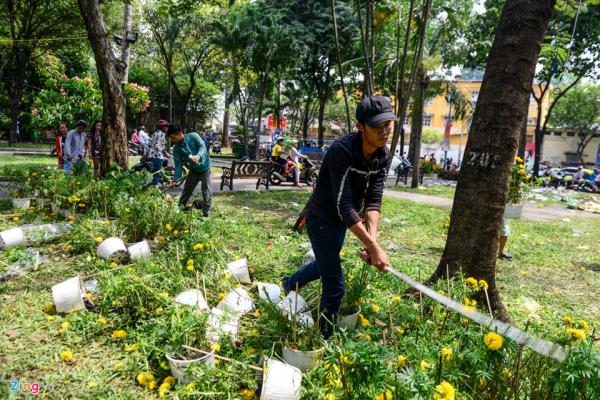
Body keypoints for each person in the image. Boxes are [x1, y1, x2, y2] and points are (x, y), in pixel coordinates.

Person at [282, 95, 394, 338]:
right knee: (335, 286)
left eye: (388, 125)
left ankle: (290, 284)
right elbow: (344, 205)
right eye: (377, 126)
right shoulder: (342, 150)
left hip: (344, 223)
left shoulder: (383, 155)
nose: (384, 131)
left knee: (325, 264)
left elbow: (374, 199)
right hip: (321, 219)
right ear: (359, 126)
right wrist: (373, 246)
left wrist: (372, 242)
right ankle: (324, 339)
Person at [168, 124, 212, 217]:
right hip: (193, 170)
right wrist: (175, 180)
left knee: (206, 191)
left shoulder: (193, 136)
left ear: (180, 134)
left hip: (205, 168)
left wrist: (198, 156)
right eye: (171, 138)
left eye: (173, 138)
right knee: (186, 191)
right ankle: (180, 212)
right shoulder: (177, 149)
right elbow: (178, 165)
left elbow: (203, 147)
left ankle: (206, 215)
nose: (172, 141)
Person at [148, 120, 170, 186]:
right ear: (162, 127)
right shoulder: (161, 134)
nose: (167, 128)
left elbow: (150, 143)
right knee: (156, 174)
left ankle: (165, 179)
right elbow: (157, 146)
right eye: (166, 127)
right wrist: (165, 152)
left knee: (156, 172)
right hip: (158, 156)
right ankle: (155, 188)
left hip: (152, 155)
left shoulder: (155, 133)